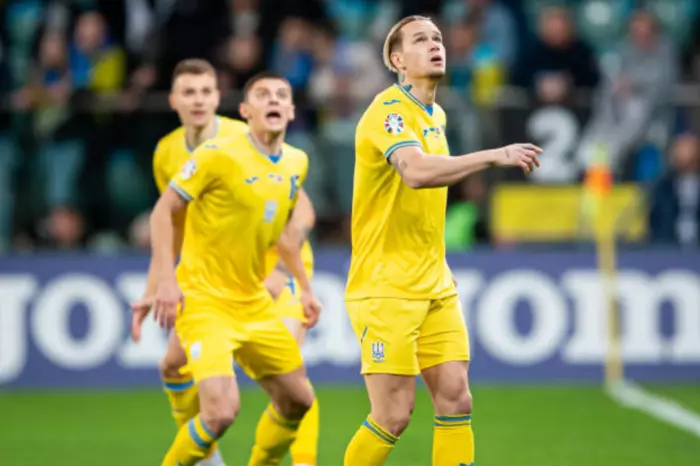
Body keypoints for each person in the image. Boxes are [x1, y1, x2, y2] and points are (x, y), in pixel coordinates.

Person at [343, 15, 542, 466]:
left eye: (437, 38)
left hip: (435, 283)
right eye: (420, 40)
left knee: (456, 398)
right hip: (386, 286)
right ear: (398, 60)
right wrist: (495, 155)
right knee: (393, 414)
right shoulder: (388, 112)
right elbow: (415, 172)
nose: (435, 44)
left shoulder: (436, 114)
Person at [131, 60, 321, 466]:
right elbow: (169, 217)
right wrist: (161, 283)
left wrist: (297, 282)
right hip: (205, 295)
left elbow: (292, 218)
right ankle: (206, 454)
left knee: (299, 398)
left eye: (281, 96)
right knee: (208, 399)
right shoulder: (197, 154)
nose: (198, 100)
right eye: (188, 92)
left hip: (257, 287)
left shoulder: (294, 160)